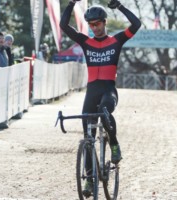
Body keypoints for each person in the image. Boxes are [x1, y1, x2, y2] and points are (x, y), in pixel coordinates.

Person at [60, 0, 141, 195]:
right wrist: (71, 3)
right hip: (91, 91)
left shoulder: (116, 41)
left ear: (105, 22)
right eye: (91, 25)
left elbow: (136, 25)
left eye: (98, 24)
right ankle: (89, 180)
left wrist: (120, 7)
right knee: (88, 138)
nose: (95, 28)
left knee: (105, 111)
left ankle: (113, 144)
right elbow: (63, 26)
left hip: (108, 90)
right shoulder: (85, 41)